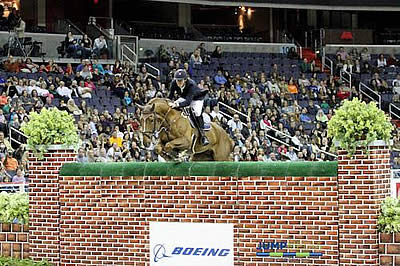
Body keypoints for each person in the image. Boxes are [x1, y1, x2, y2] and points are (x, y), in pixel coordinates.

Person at [168, 69, 209, 145]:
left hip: (196, 99)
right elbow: (170, 96)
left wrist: (177, 104)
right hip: (184, 97)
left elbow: (188, 102)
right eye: (177, 80)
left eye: (180, 81)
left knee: (196, 113)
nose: (179, 82)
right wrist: (169, 102)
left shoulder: (191, 84)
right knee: (172, 106)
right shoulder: (174, 83)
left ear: (185, 80)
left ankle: (203, 135)